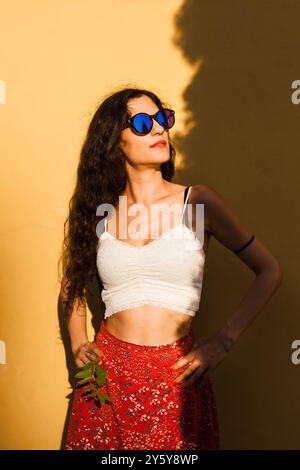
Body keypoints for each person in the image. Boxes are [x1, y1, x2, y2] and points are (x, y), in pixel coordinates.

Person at [59, 87, 283, 450]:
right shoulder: (100, 210)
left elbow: (269, 269)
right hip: (106, 384)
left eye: (163, 119)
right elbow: (71, 287)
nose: (160, 130)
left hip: (176, 381)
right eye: (144, 123)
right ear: (115, 141)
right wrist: (79, 343)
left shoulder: (197, 202)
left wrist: (223, 341)